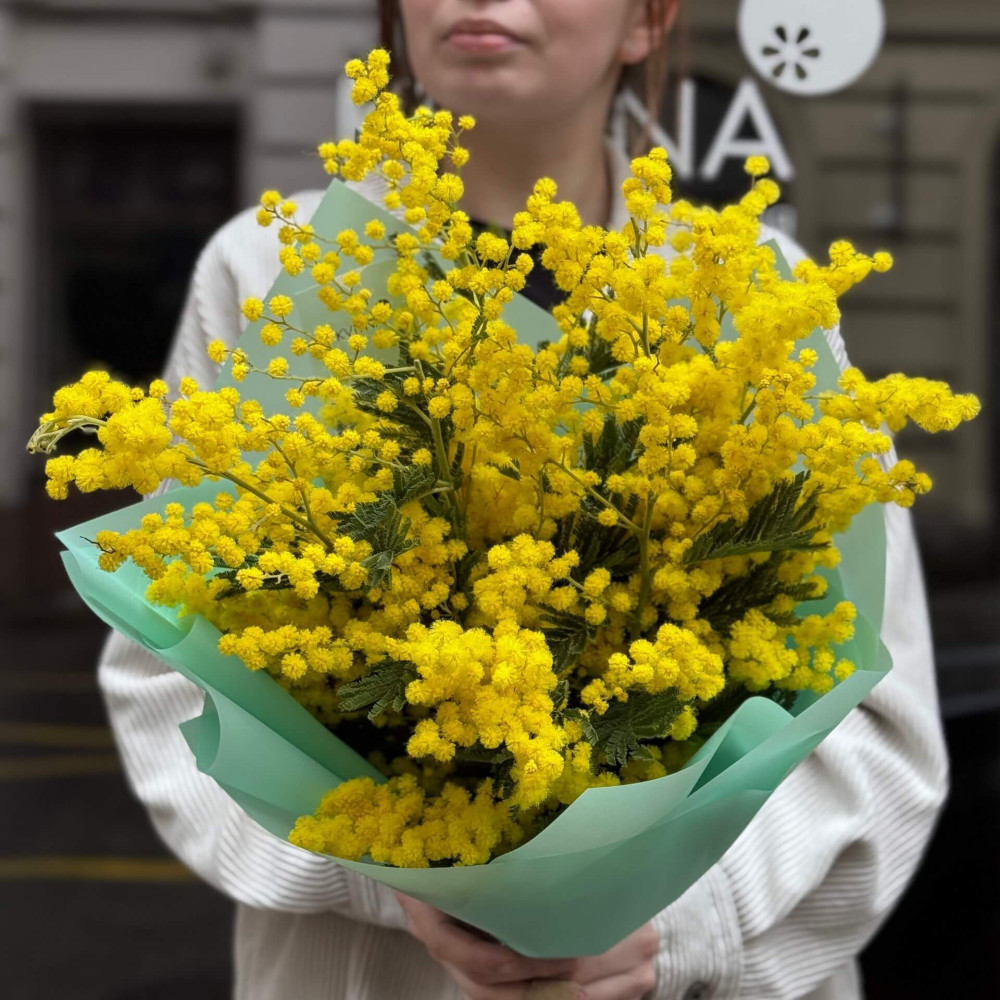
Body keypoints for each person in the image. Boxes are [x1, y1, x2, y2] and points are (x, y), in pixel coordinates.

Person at [96, 2, 948, 998]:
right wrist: (394, 860)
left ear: (646, 22)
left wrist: (678, 926)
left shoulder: (757, 292)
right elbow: (172, 681)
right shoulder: (268, 274)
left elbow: (875, 721)